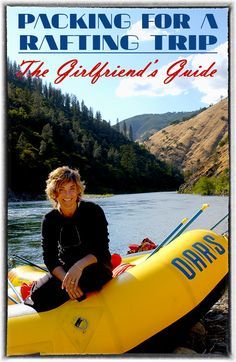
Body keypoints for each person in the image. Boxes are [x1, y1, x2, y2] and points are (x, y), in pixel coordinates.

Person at [24, 166, 113, 312]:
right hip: (65, 269)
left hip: (95, 265)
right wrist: (67, 280)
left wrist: (78, 267)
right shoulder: (49, 220)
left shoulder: (94, 211)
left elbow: (102, 250)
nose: (68, 194)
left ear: (78, 190)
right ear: (54, 193)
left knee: (92, 280)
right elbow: (50, 258)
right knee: (37, 297)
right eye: (61, 189)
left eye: (72, 188)